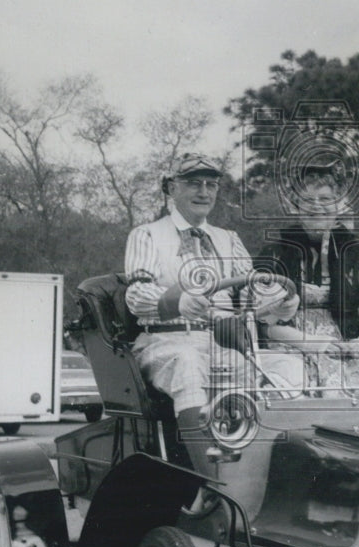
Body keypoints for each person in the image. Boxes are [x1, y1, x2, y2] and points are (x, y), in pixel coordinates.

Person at [124, 153, 298, 474]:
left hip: (222, 343)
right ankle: (210, 484)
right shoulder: (147, 235)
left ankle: (277, 476)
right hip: (166, 341)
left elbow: (252, 293)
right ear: (171, 188)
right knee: (189, 365)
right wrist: (177, 302)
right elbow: (136, 295)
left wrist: (282, 302)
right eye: (193, 183)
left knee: (287, 367)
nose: (204, 192)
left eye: (211, 185)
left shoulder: (228, 239)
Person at [255, 171, 359, 391]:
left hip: (347, 347)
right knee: (301, 384)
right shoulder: (275, 254)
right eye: (308, 200)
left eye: (325, 199)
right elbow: (261, 322)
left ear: (338, 206)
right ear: (296, 207)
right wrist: (317, 344)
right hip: (289, 347)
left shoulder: (357, 255)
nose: (316, 206)